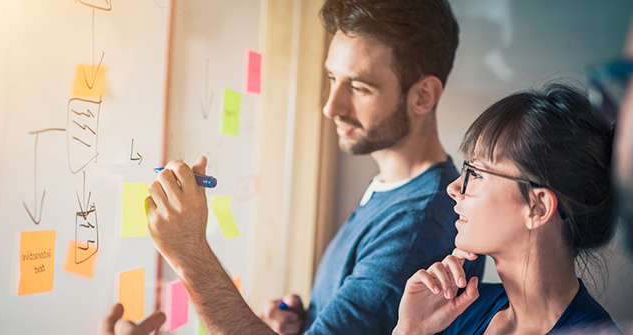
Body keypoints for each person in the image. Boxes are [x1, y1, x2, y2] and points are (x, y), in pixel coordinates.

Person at [99, 0, 485, 334]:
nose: (331, 106)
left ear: (423, 96)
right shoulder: (396, 189)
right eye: (332, 78)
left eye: (359, 87)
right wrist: (310, 321)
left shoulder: (420, 224)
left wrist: (189, 254)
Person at [392, 83, 620, 335]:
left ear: (537, 207)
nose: (454, 187)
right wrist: (409, 330)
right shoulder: (459, 309)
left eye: (476, 173)